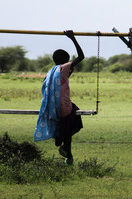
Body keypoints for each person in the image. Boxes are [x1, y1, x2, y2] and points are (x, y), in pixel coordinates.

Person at [34, 30, 84, 165]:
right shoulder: (63, 68)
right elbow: (81, 56)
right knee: (75, 122)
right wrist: (73, 38)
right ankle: (63, 144)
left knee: (66, 124)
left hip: (52, 106)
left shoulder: (53, 71)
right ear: (66, 60)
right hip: (64, 106)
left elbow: (59, 84)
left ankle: (61, 140)